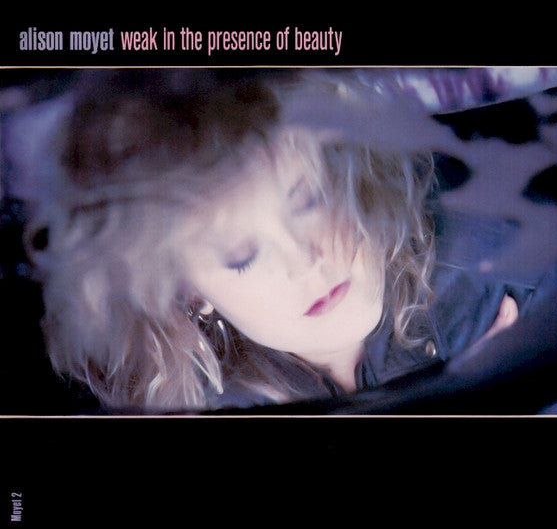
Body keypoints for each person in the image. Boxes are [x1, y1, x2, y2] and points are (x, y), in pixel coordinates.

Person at [25, 68, 528, 414]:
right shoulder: (203, 408)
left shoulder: (490, 249)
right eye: (241, 256)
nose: (305, 262)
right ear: (188, 290)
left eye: (309, 201)